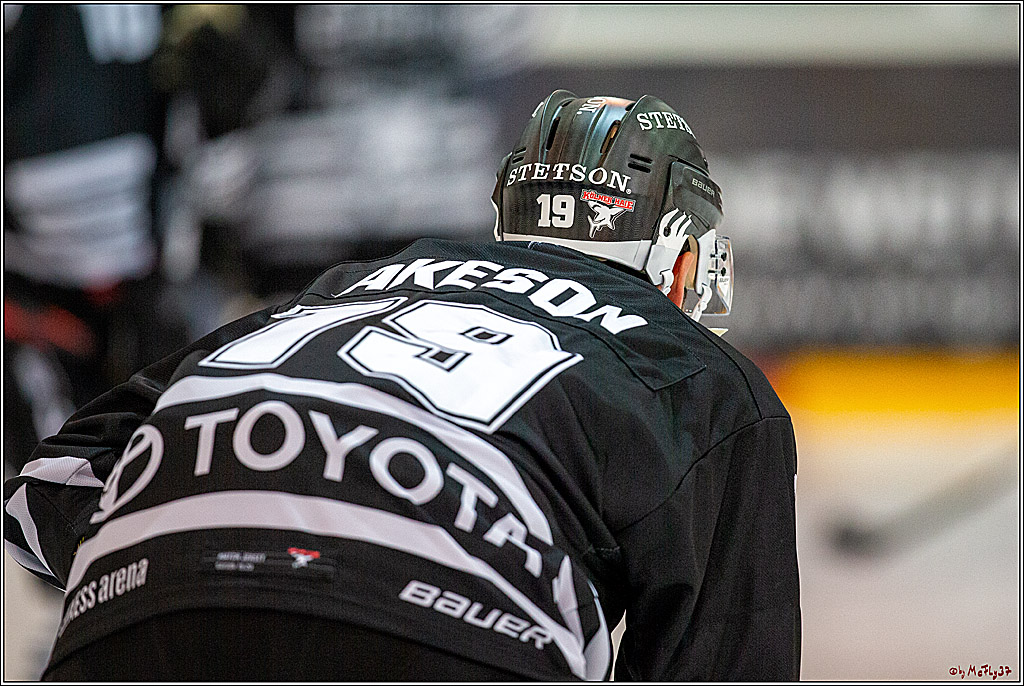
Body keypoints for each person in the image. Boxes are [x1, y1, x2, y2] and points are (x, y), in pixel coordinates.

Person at [4, 90, 800, 681]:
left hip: (137, 611)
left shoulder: (356, 285)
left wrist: (189, 551)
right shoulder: (694, 368)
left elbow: (46, 481)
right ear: (680, 248)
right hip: (442, 632)